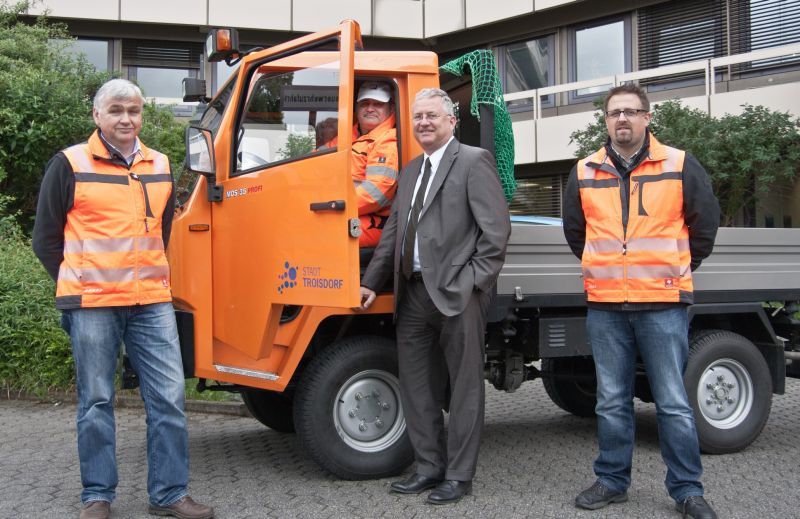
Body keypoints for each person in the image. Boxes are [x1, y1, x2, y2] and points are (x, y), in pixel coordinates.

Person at [32, 79, 214, 519]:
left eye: (133, 110)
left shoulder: (160, 164)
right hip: (92, 303)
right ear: (98, 116)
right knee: (96, 400)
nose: (126, 119)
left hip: (151, 301)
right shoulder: (69, 163)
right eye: (116, 111)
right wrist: (79, 280)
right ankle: (97, 495)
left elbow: (162, 232)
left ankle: (169, 495)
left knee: (169, 398)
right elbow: (45, 239)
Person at [563, 84, 720, 519]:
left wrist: (677, 266)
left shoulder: (679, 164)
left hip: (663, 302)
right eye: (614, 113)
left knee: (672, 401)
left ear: (648, 118)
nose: (622, 120)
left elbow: (704, 225)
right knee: (610, 400)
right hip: (606, 305)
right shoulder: (584, 170)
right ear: (606, 120)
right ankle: (612, 481)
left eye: (631, 112)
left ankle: (687, 490)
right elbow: (577, 233)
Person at [358, 88, 510, 504]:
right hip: (414, 293)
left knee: (464, 389)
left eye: (432, 116)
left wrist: (473, 283)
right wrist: (372, 281)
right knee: (416, 386)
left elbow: (496, 234)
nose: (424, 122)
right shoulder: (409, 171)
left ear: (451, 121)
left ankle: (459, 476)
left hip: (458, 295)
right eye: (418, 116)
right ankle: (428, 468)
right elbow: (393, 234)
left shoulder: (473, 162)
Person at [320, 81, 399, 247]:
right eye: (365, 104)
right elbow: (314, 161)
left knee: (319, 233)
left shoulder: (388, 140)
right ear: (356, 109)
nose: (370, 109)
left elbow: (376, 194)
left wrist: (333, 205)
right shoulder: (349, 136)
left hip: (375, 221)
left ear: (390, 108)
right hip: (345, 211)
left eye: (378, 104)